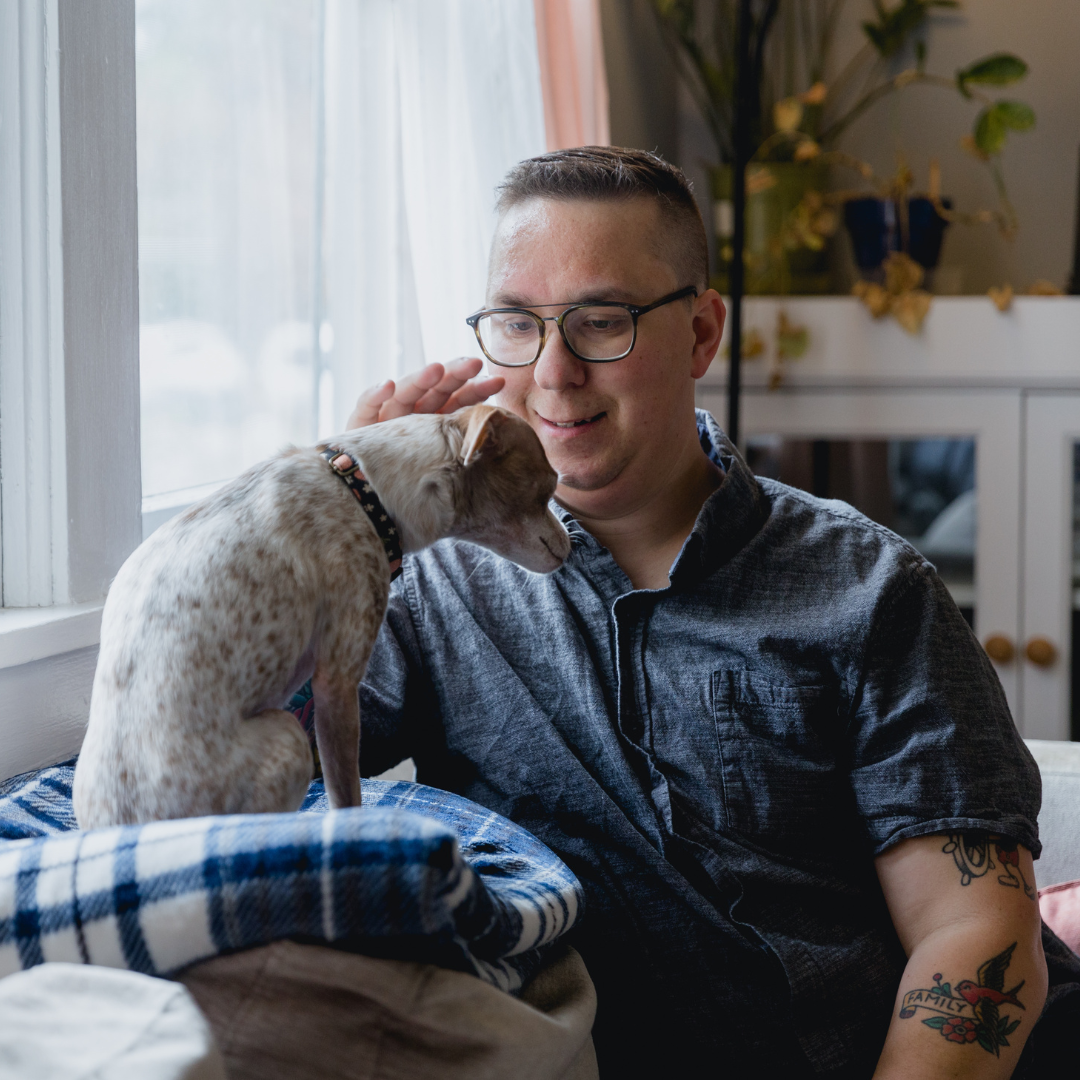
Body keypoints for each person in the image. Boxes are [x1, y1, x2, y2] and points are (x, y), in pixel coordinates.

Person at [343, 147, 1079, 1076]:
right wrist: (346, 507)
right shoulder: (430, 584)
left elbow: (973, 928)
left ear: (699, 335)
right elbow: (242, 755)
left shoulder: (867, 588)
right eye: (516, 325)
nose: (554, 372)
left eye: (601, 321)